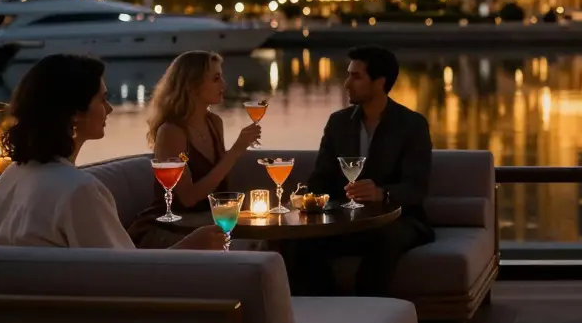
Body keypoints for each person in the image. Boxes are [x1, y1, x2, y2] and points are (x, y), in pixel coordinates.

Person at [0, 54, 223, 250]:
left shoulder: (12, 177)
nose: (109, 109)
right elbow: (127, 277)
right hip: (81, 307)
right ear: (74, 114)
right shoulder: (79, 191)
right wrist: (191, 245)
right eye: (102, 99)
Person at [291, 46, 434, 296]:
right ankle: (327, 309)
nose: (347, 84)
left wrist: (382, 193)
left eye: (356, 77)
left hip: (399, 220)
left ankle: (369, 313)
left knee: (385, 238)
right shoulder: (338, 123)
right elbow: (321, 177)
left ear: (380, 82)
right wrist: (310, 200)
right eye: (348, 75)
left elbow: (416, 187)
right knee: (297, 242)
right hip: (347, 221)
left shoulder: (411, 125)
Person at [127, 51, 263, 247]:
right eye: (216, 79)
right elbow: (188, 198)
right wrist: (235, 151)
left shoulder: (214, 123)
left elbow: (218, 185)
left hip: (204, 223)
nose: (223, 84)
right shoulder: (172, 132)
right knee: (250, 247)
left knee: (270, 242)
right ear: (192, 86)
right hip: (171, 229)